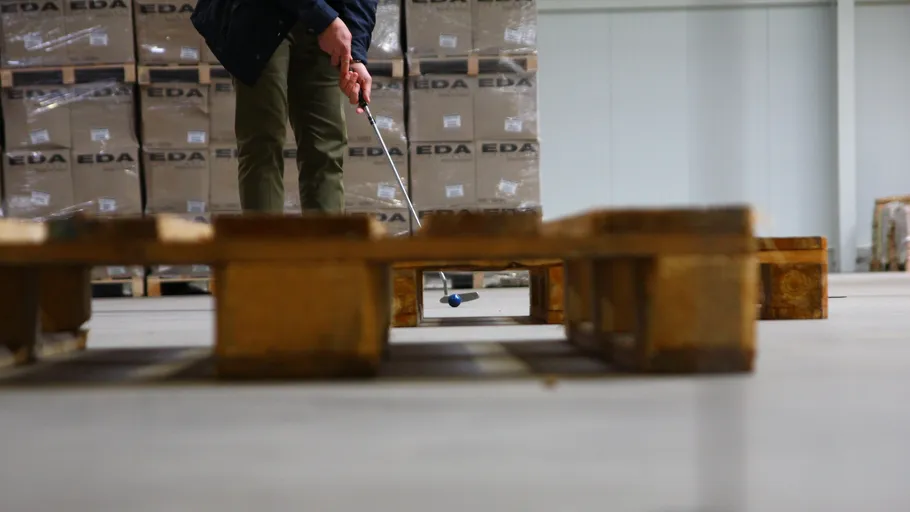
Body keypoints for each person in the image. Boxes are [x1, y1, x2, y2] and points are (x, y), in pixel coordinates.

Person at [191, 0, 378, 214]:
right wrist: (325, 19)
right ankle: (266, 236)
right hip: (260, 14)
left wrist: (355, 54)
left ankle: (326, 235)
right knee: (263, 142)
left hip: (327, 20)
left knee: (325, 148)